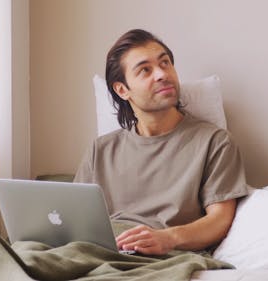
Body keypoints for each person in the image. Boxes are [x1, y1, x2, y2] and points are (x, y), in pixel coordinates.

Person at [74, 29, 249, 256]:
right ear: (122, 90)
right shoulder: (101, 150)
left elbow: (220, 220)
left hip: (164, 255)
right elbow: (74, 219)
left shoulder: (214, 142)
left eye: (165, 63)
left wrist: (167, 239)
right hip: (103, 250)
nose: (161, 74)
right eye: (145, 70)